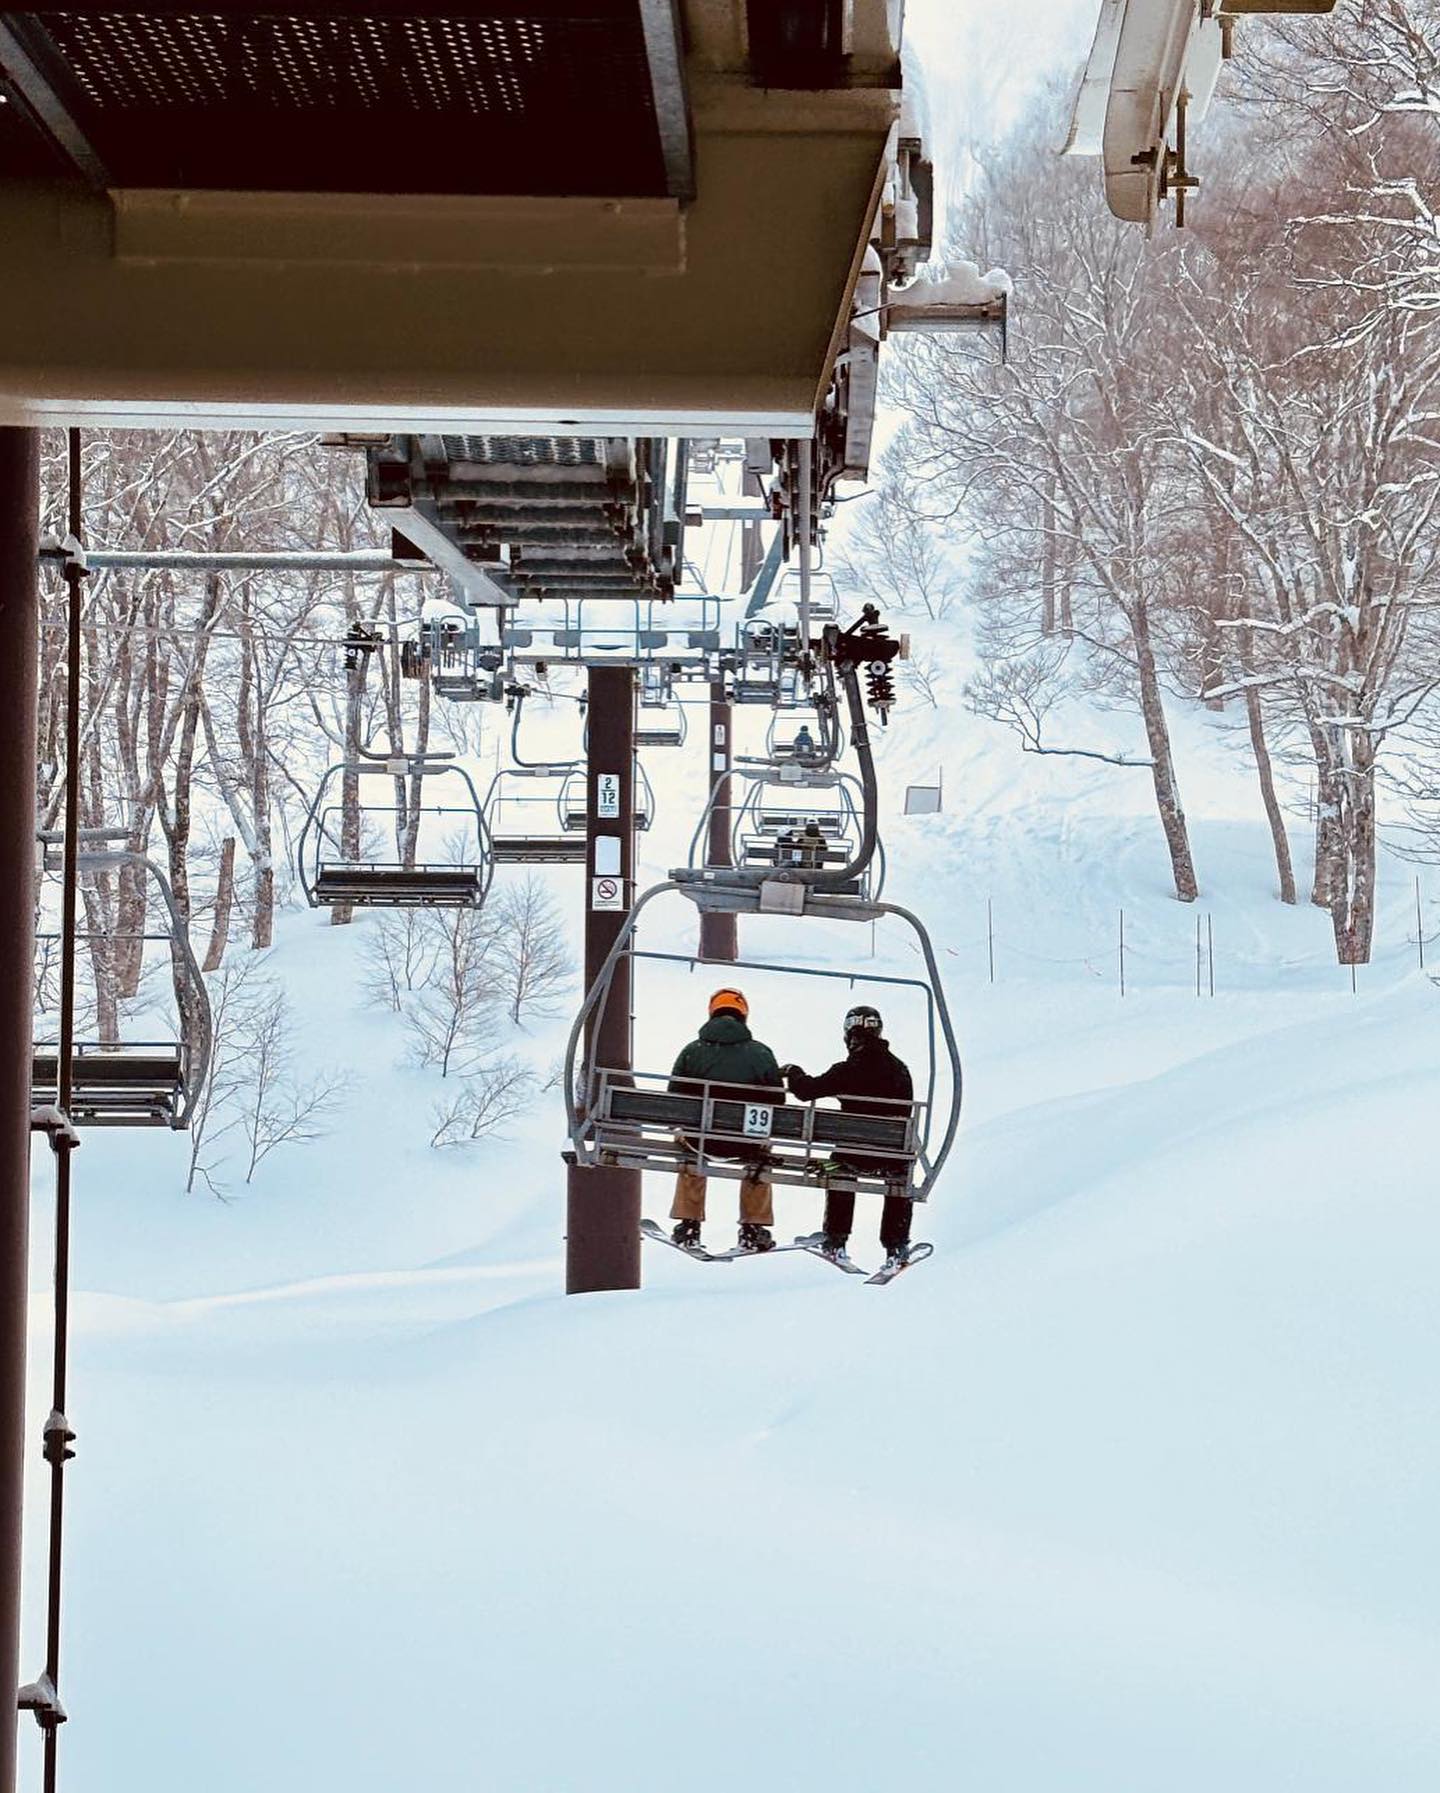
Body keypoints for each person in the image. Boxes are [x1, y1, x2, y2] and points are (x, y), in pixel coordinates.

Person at [782, 1005, 915, 1265]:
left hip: (851, 1157)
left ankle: (836, 1238)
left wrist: (792, 1071)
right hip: (891, 1158)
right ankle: (895, 1244)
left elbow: (806, 1090)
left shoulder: (846, 1070)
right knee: (902, 1173)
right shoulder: (900, 1070)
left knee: (836, 1166)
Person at [668, 988, 784, 1252]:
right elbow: (778, 1102)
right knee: (762, 1152)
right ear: (743, 1015)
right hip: (747, 1143)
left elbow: (673, 1099)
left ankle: (689, 1225)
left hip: (701, 1142)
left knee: (691, 1151)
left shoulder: (692, 1052)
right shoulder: (761, 1053)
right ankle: (752, 1229)